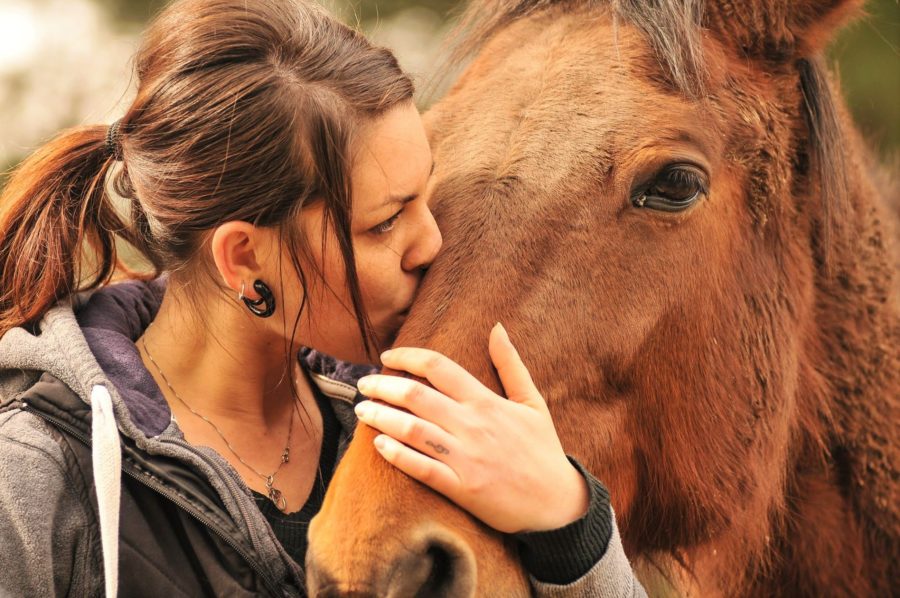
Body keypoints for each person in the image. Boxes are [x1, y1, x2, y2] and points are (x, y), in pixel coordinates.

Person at [0, 0, 644, 595]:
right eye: (385, 224)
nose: (433, 243)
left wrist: (568, 522)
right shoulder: (36, 476)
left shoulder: (435, 433)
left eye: (429, 193)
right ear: (245, 259)